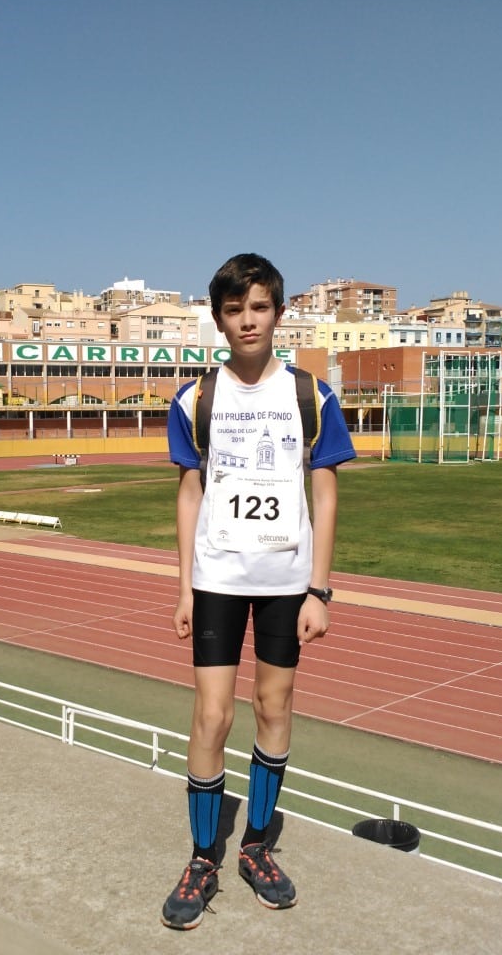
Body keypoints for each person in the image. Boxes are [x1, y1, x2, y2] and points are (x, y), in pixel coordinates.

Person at [160, 253, 356, 930]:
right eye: (235, 308)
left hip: (284, 584)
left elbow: (324, 494)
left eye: (260, 306)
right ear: (219, 318)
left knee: (274, 708)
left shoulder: (311, 396)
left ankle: (256, 849)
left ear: (278, 312)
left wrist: (319, 591)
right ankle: (202, 857)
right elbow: (190, 492)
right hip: (216, 578)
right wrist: (184, 585)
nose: (248, 319)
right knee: (212, 717)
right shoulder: (195, 399)